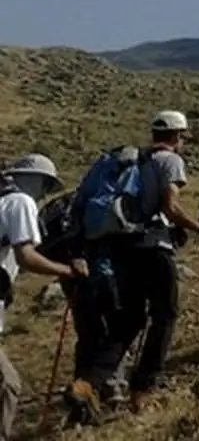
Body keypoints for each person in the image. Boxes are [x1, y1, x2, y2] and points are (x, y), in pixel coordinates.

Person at [68, 110, 199, 420]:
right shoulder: (169, 160)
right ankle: (143, 388)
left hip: (122, 248)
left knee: (129, 319)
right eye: (182, 136)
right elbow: (170, 206)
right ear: (176, 136)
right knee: (165, 314)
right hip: (152, 247)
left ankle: (87, 382)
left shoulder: (136, 160)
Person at [0, 154, 87, 441]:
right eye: (46, 185)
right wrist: (67, 270)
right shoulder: (20, 202)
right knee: (6, 384)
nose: (44, 195)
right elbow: (26, 258)